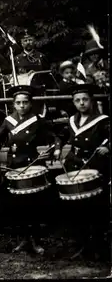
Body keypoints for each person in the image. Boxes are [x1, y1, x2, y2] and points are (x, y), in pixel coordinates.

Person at [0, 85, 61, 255]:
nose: (22, 106)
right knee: (17, 205)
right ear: (13, 104)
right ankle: (24, 239)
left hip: (33, 165)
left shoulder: (37, 120)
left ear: (30, 104)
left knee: (34, 204)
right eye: (18, 103)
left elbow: (55, 137)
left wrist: (54, 150)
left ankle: (35, 239)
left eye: (25, 102)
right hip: (15, 167)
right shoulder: (8, 121)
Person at [58, 83, 110, 261]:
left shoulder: (102, 120)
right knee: (77, 207)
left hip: (95, 164)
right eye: (77, 100)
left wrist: (108, 147)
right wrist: (58, 148)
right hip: (75, 165)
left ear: (91, 101)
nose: (81, 103)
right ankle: (82, 245)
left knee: (96, 206)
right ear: (73, 102)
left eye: (85, 100)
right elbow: (62, 136)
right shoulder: (72, 120)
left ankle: (98, 245)